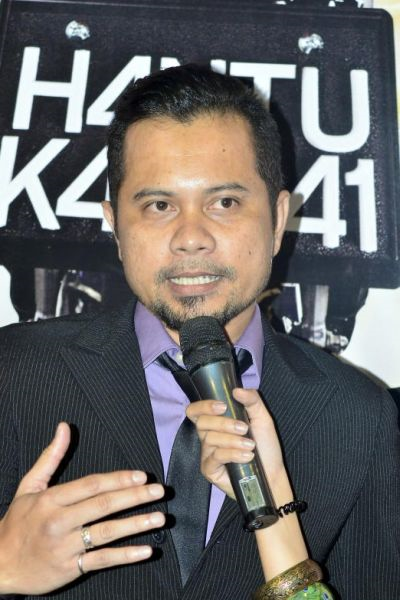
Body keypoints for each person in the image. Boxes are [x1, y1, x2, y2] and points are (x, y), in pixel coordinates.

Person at [0, 64, 398, 599]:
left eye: (225, 203)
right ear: (115, 224)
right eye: (159, 205)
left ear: (278, 218)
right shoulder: (15, 372)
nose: (191, 237)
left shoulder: (357, 417)